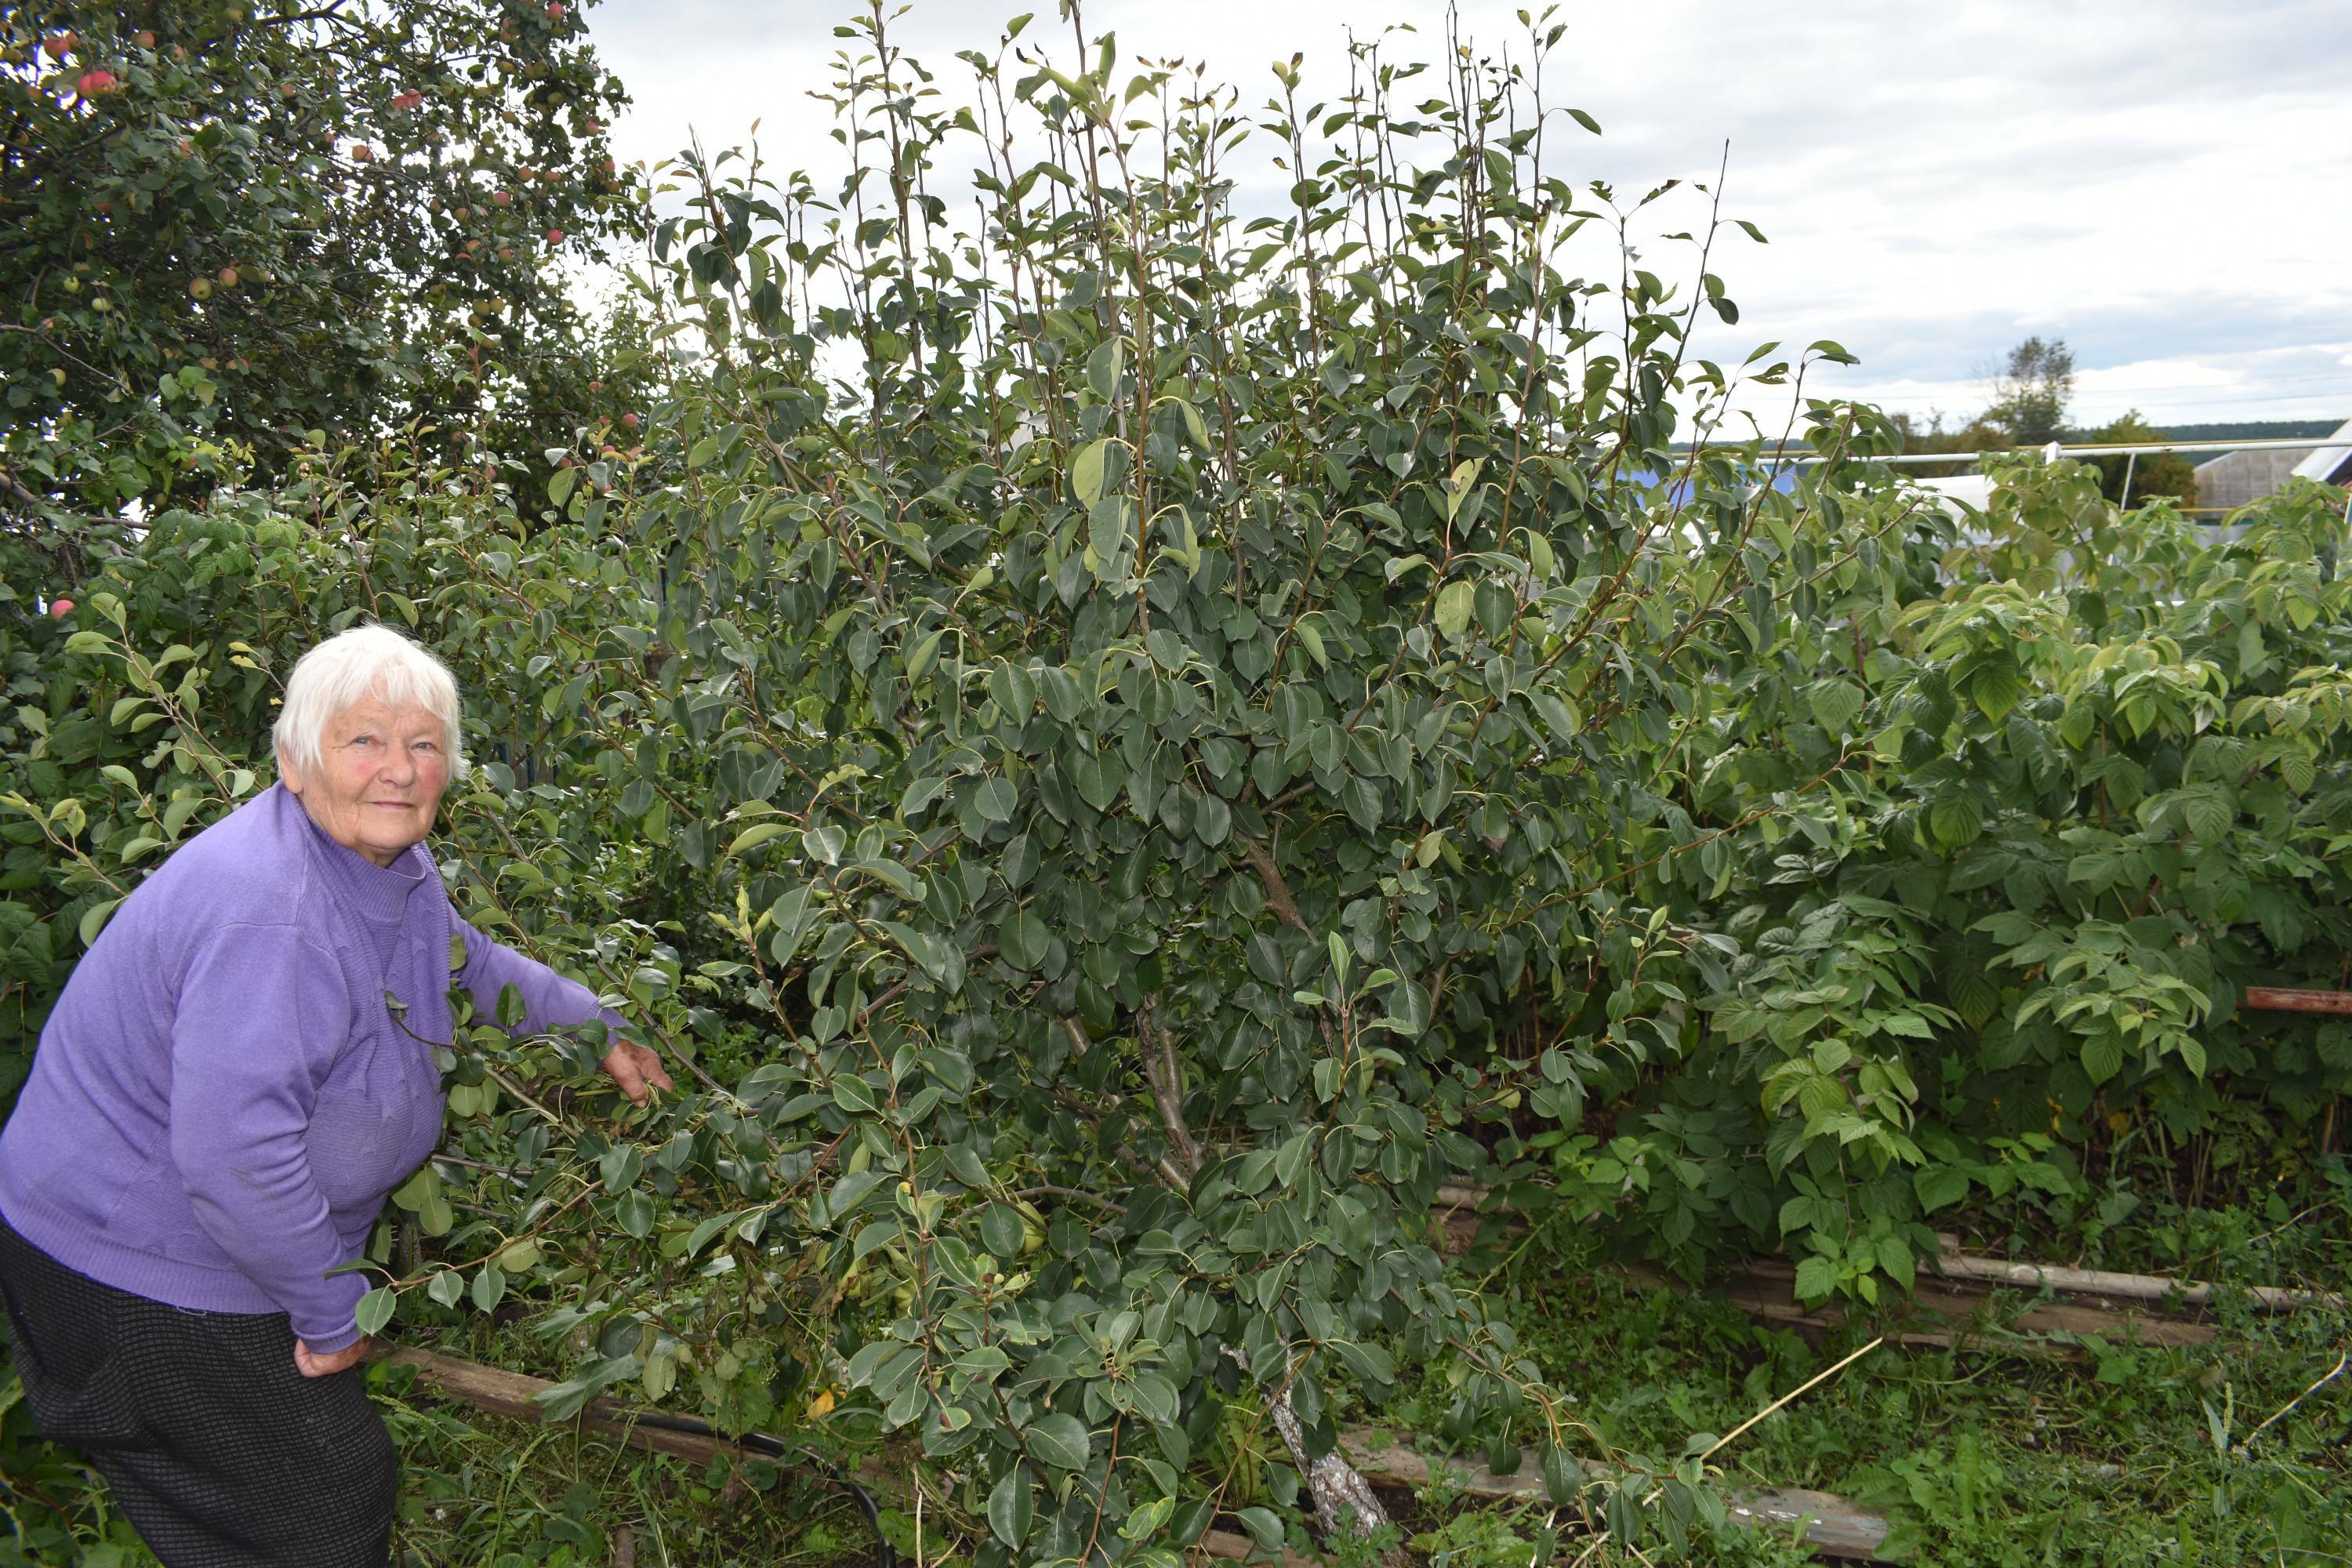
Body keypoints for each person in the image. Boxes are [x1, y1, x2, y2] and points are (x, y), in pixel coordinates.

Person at [0, 623, 673, 1567]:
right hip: (142, 1263)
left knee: (246, 1516)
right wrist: (328, 1313)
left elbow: (464, 958)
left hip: (192, 1244)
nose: (398, 769)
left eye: (423, 744)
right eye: (364, 741)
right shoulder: (273, 909)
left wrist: (594, 1028)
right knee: (319, 1509)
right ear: (295, 758)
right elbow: (235, 1158)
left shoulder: (383, 863)